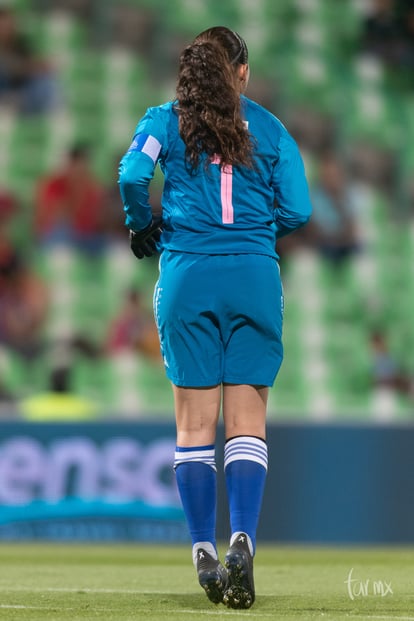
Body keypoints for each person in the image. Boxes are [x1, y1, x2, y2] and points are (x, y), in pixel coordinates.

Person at [118, 26, 312, 609]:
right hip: (253, 276)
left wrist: (141, 223)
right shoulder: (272, 128)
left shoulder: (161, 120)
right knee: (246, 419)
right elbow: (300, 208)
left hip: (187, 276)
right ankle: (244, 538)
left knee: (194, 425)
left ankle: (203, 547)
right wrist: (256, 233)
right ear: (242, 72)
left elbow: (132, 176)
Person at [35, 144, 106, 254]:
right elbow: (56, 216)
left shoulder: (91, 186)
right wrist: (76, 191)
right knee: (61, 231)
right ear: (71, 164)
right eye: (78, 164)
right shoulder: (54, 184)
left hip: (86, 236)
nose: (81, 169)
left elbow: (96, 218)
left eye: (84, 165)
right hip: (59, 234)